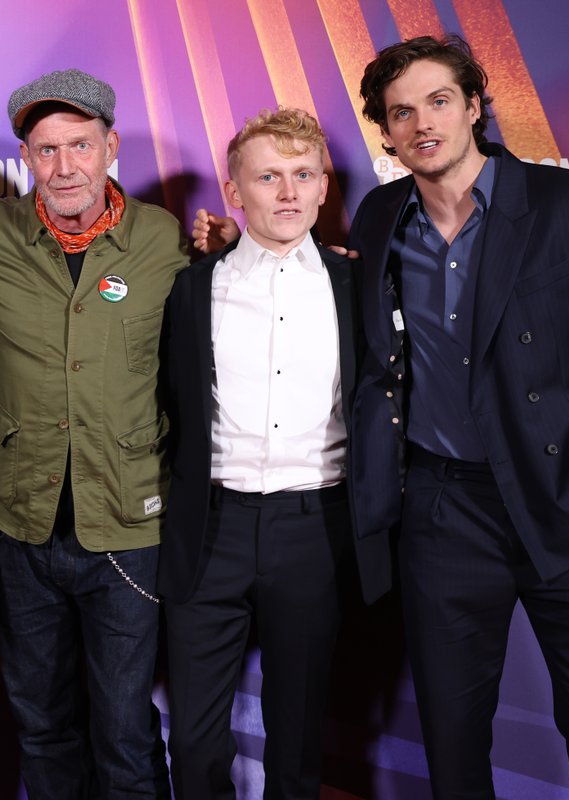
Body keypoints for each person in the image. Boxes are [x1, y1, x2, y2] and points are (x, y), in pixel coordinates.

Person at [347, 34, 569, 799]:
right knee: (454, 744)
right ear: (387, 132)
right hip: (444, 512)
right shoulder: (378, 217)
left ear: (473, 106)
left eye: (438, 100)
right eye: (401, 112)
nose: (422, 122)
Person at [0, 68, 187, 799]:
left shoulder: (162, 238)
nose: (65, 167)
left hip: (126, 528)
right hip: (23, 530)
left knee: (124, 728)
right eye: (46, 149)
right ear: (25, 158)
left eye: (81, 146)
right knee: (41, 722)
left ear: (110, 146)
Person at [159, 107, 391, 800]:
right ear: (235, 191)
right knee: (196, 740)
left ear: (324, 187)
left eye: (303, 175)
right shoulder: (190, 289)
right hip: (210, 527)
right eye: (268, 177)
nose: (288, 193)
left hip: (317, 529)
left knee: (298, 734)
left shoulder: (364, 286)